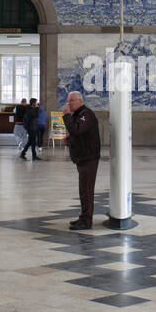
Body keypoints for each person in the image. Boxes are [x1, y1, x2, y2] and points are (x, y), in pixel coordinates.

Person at [62, 90, 100, 229]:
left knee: (87, 191)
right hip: (82, 158)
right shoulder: (79, 114)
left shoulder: (86, 115)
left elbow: (76, 130)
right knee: (83, 191)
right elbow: (79, 134)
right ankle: (83, 217)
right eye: (68, 101)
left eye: (71, 101)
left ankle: (86, 221)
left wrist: (66, 116)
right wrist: (70, 140)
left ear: (80, 101)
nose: (69, 104)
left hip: (89, 158)